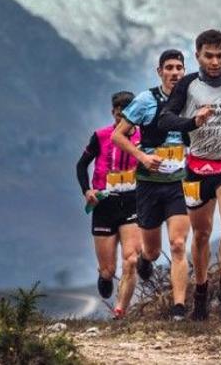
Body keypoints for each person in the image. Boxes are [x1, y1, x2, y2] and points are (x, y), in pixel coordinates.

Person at [158, 29, 221, 319]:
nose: (215, 62)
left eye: (220, 55)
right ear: (198, 56)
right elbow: (165, 119)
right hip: (197, 169)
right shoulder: (188, 85)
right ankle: (201, 293)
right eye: (209, 56)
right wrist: (193, 121)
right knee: (201, 235)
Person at [111, 49, 191, 321]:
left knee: (178, 244)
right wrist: (143, 157)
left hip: (177, 183)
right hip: (148, 185)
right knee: (154, 251)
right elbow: (117, 136)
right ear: (160, 72)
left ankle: (179, 308)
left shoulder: (191, 99)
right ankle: (146, 258)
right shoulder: (146, 100)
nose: (174, 73)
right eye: (168, 68)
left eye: (179, 67)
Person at [75, 91, 142, 318]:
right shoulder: (101, 136)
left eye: (126, 115)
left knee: (131, 259)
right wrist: (87, 191)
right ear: (112, 113)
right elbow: (81, 165)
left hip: (132, 202)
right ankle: (104, 277)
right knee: (109, 270)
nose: (121, 120)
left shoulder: (143, 137)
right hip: (104, 205)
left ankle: (120, 310)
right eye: (117, 115)